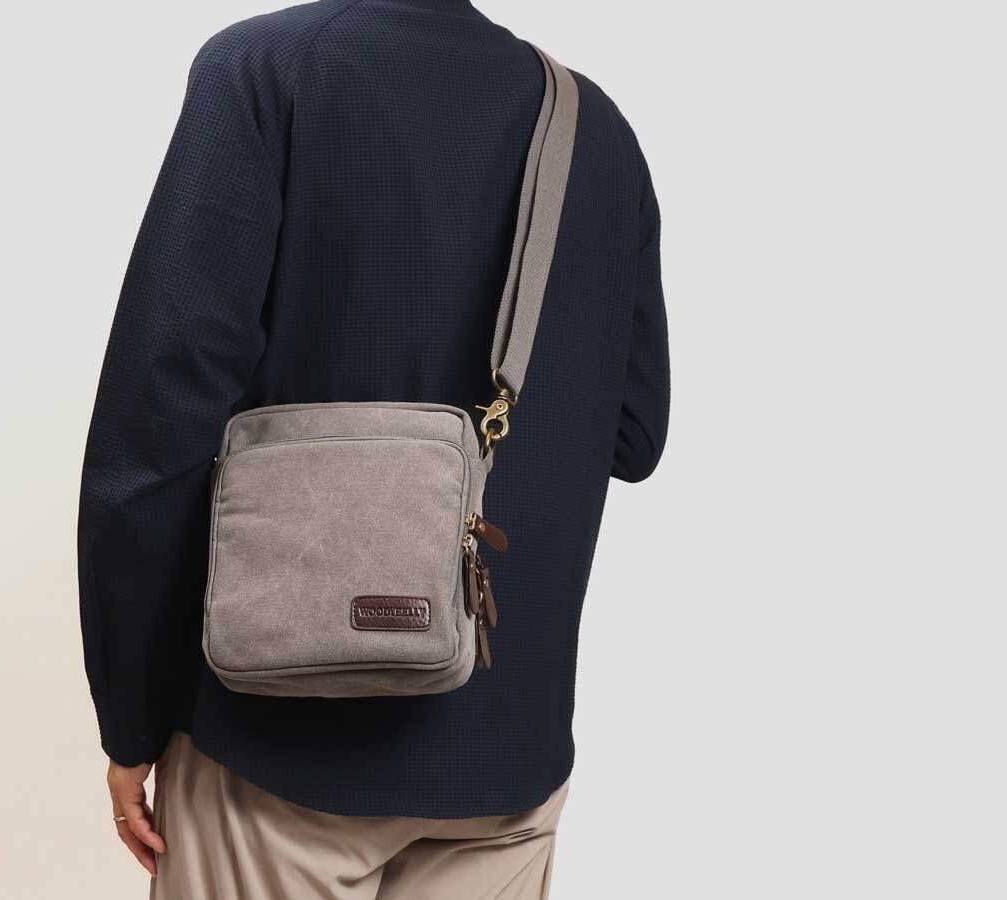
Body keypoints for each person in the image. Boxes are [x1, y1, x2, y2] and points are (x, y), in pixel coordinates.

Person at [77, 1, 669, 897]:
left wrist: (132, 716)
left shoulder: (265, 70)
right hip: (508, 763)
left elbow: (156, 426)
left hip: (279, 748)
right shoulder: (596, 129)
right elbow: (635, 434)